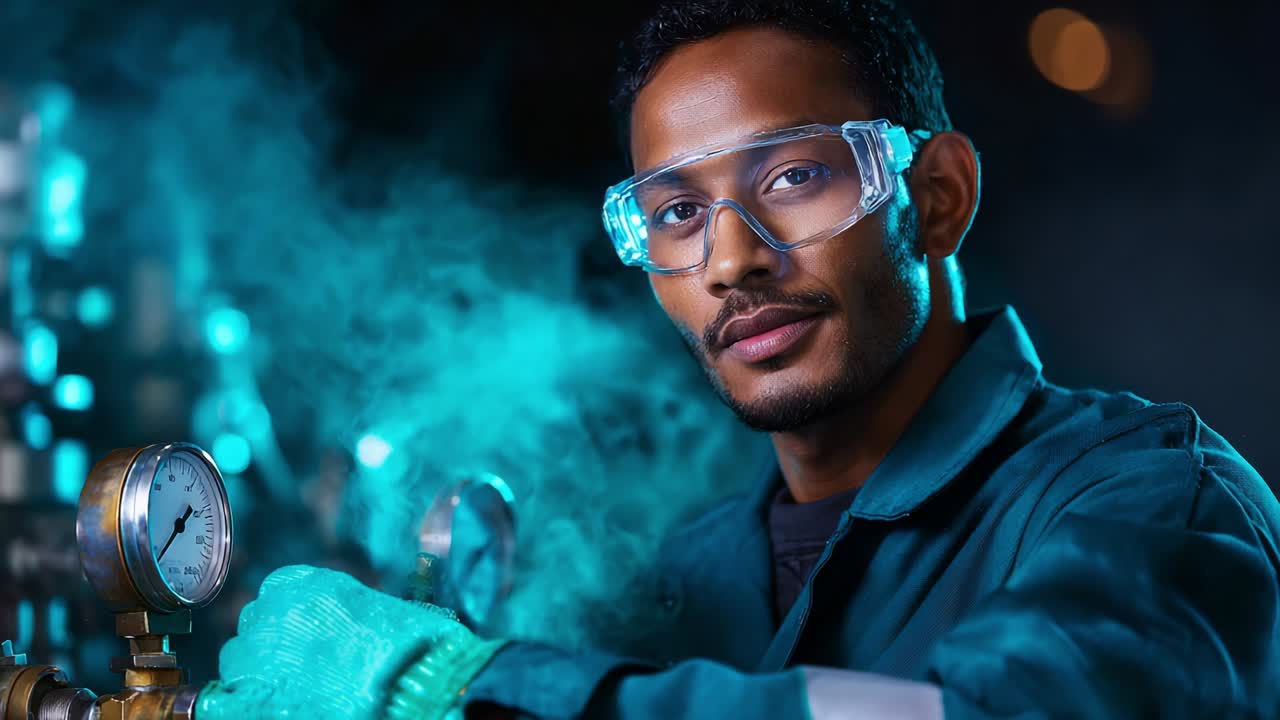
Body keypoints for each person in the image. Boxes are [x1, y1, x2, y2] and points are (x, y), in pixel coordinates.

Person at [197, 1, 1280, 718]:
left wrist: (466, 690)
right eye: (675, 213)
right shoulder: (683, 582)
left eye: (793, 177)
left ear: (937, 197)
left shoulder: (1147, 504)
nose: (729, 260)